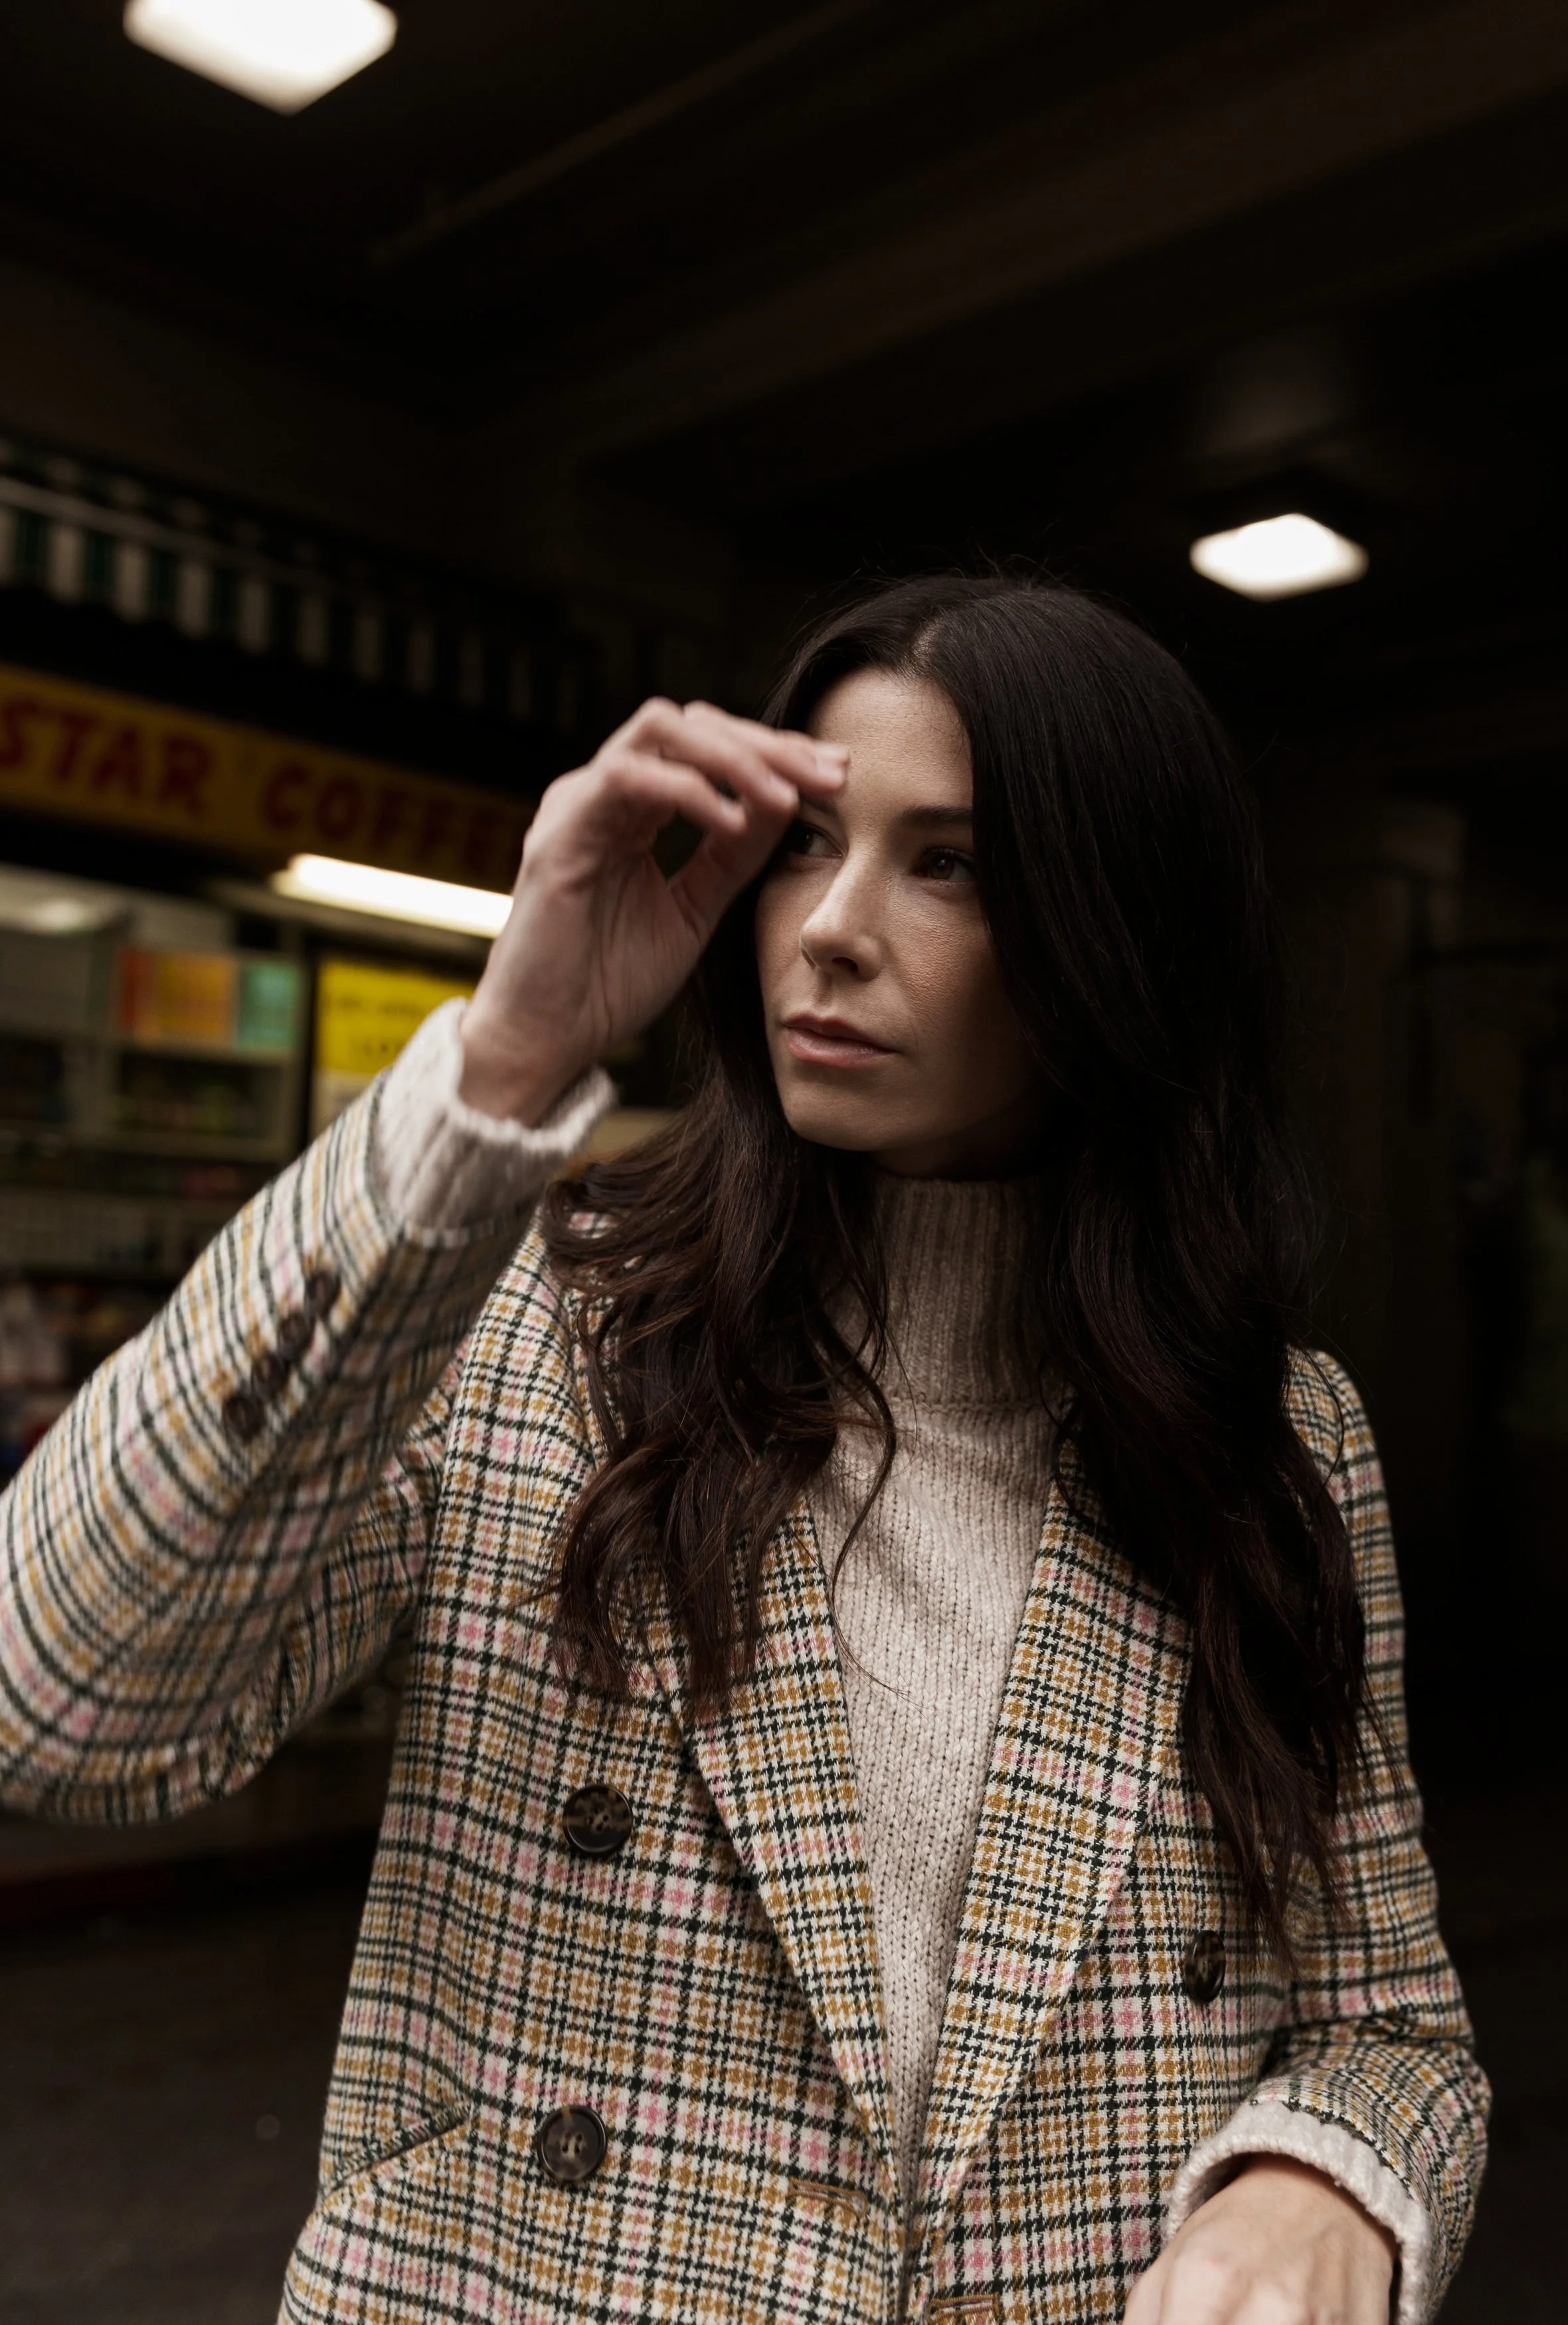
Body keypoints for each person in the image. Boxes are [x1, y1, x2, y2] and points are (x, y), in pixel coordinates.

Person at [0, 576, 1487, 2324]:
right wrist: (498, 1068)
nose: (828, 929)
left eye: (946, 862)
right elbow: (57, 1694)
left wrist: (1317, 2181)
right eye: (806, 846)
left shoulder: (1276, 1440)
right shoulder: (535, 1332)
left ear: (1117, 934)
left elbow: (1390, 2022)